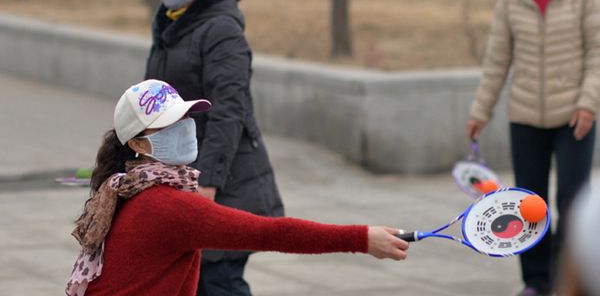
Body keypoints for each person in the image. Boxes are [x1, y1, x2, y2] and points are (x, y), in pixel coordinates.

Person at [65, 79, 409, 296]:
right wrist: (362, 238)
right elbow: (271, 233)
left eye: (183, 117)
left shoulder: (129, 187)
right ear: (138, 145)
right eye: (166, 125)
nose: (184, 127)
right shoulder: (167, 205)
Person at [466, 0, 600, 296]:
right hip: (525, 116)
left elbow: (597, 53)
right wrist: (480, 110)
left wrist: (589, 103)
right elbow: (496, 60)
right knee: (529, 205)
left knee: (573, 203)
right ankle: (536, 281)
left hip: (574, 116)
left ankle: (570, 280)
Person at [144, 0, 284, 295]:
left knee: (218, 281)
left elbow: (228, 110)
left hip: (226, 182)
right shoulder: (171, 27)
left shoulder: (221, 31)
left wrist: (208, 183)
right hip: (183, 173)